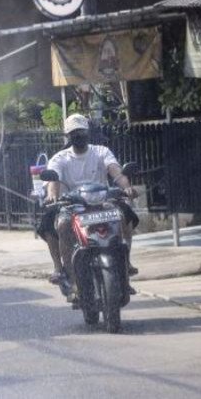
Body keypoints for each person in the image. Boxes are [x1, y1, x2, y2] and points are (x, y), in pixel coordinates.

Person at [45, 113, 138, 300]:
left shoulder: (101, 151)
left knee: (124, 217)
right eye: (73, 133)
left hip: (103, 203)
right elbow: (53, 179)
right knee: (58, 225)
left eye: (81, 131)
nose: (78, 135)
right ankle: (66, 273)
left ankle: (125, 264)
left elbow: (116, 172)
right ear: (68, 136)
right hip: (73, 206)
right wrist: (52, 195)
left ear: (87, 133)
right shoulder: (60, 157)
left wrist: (126, 187)